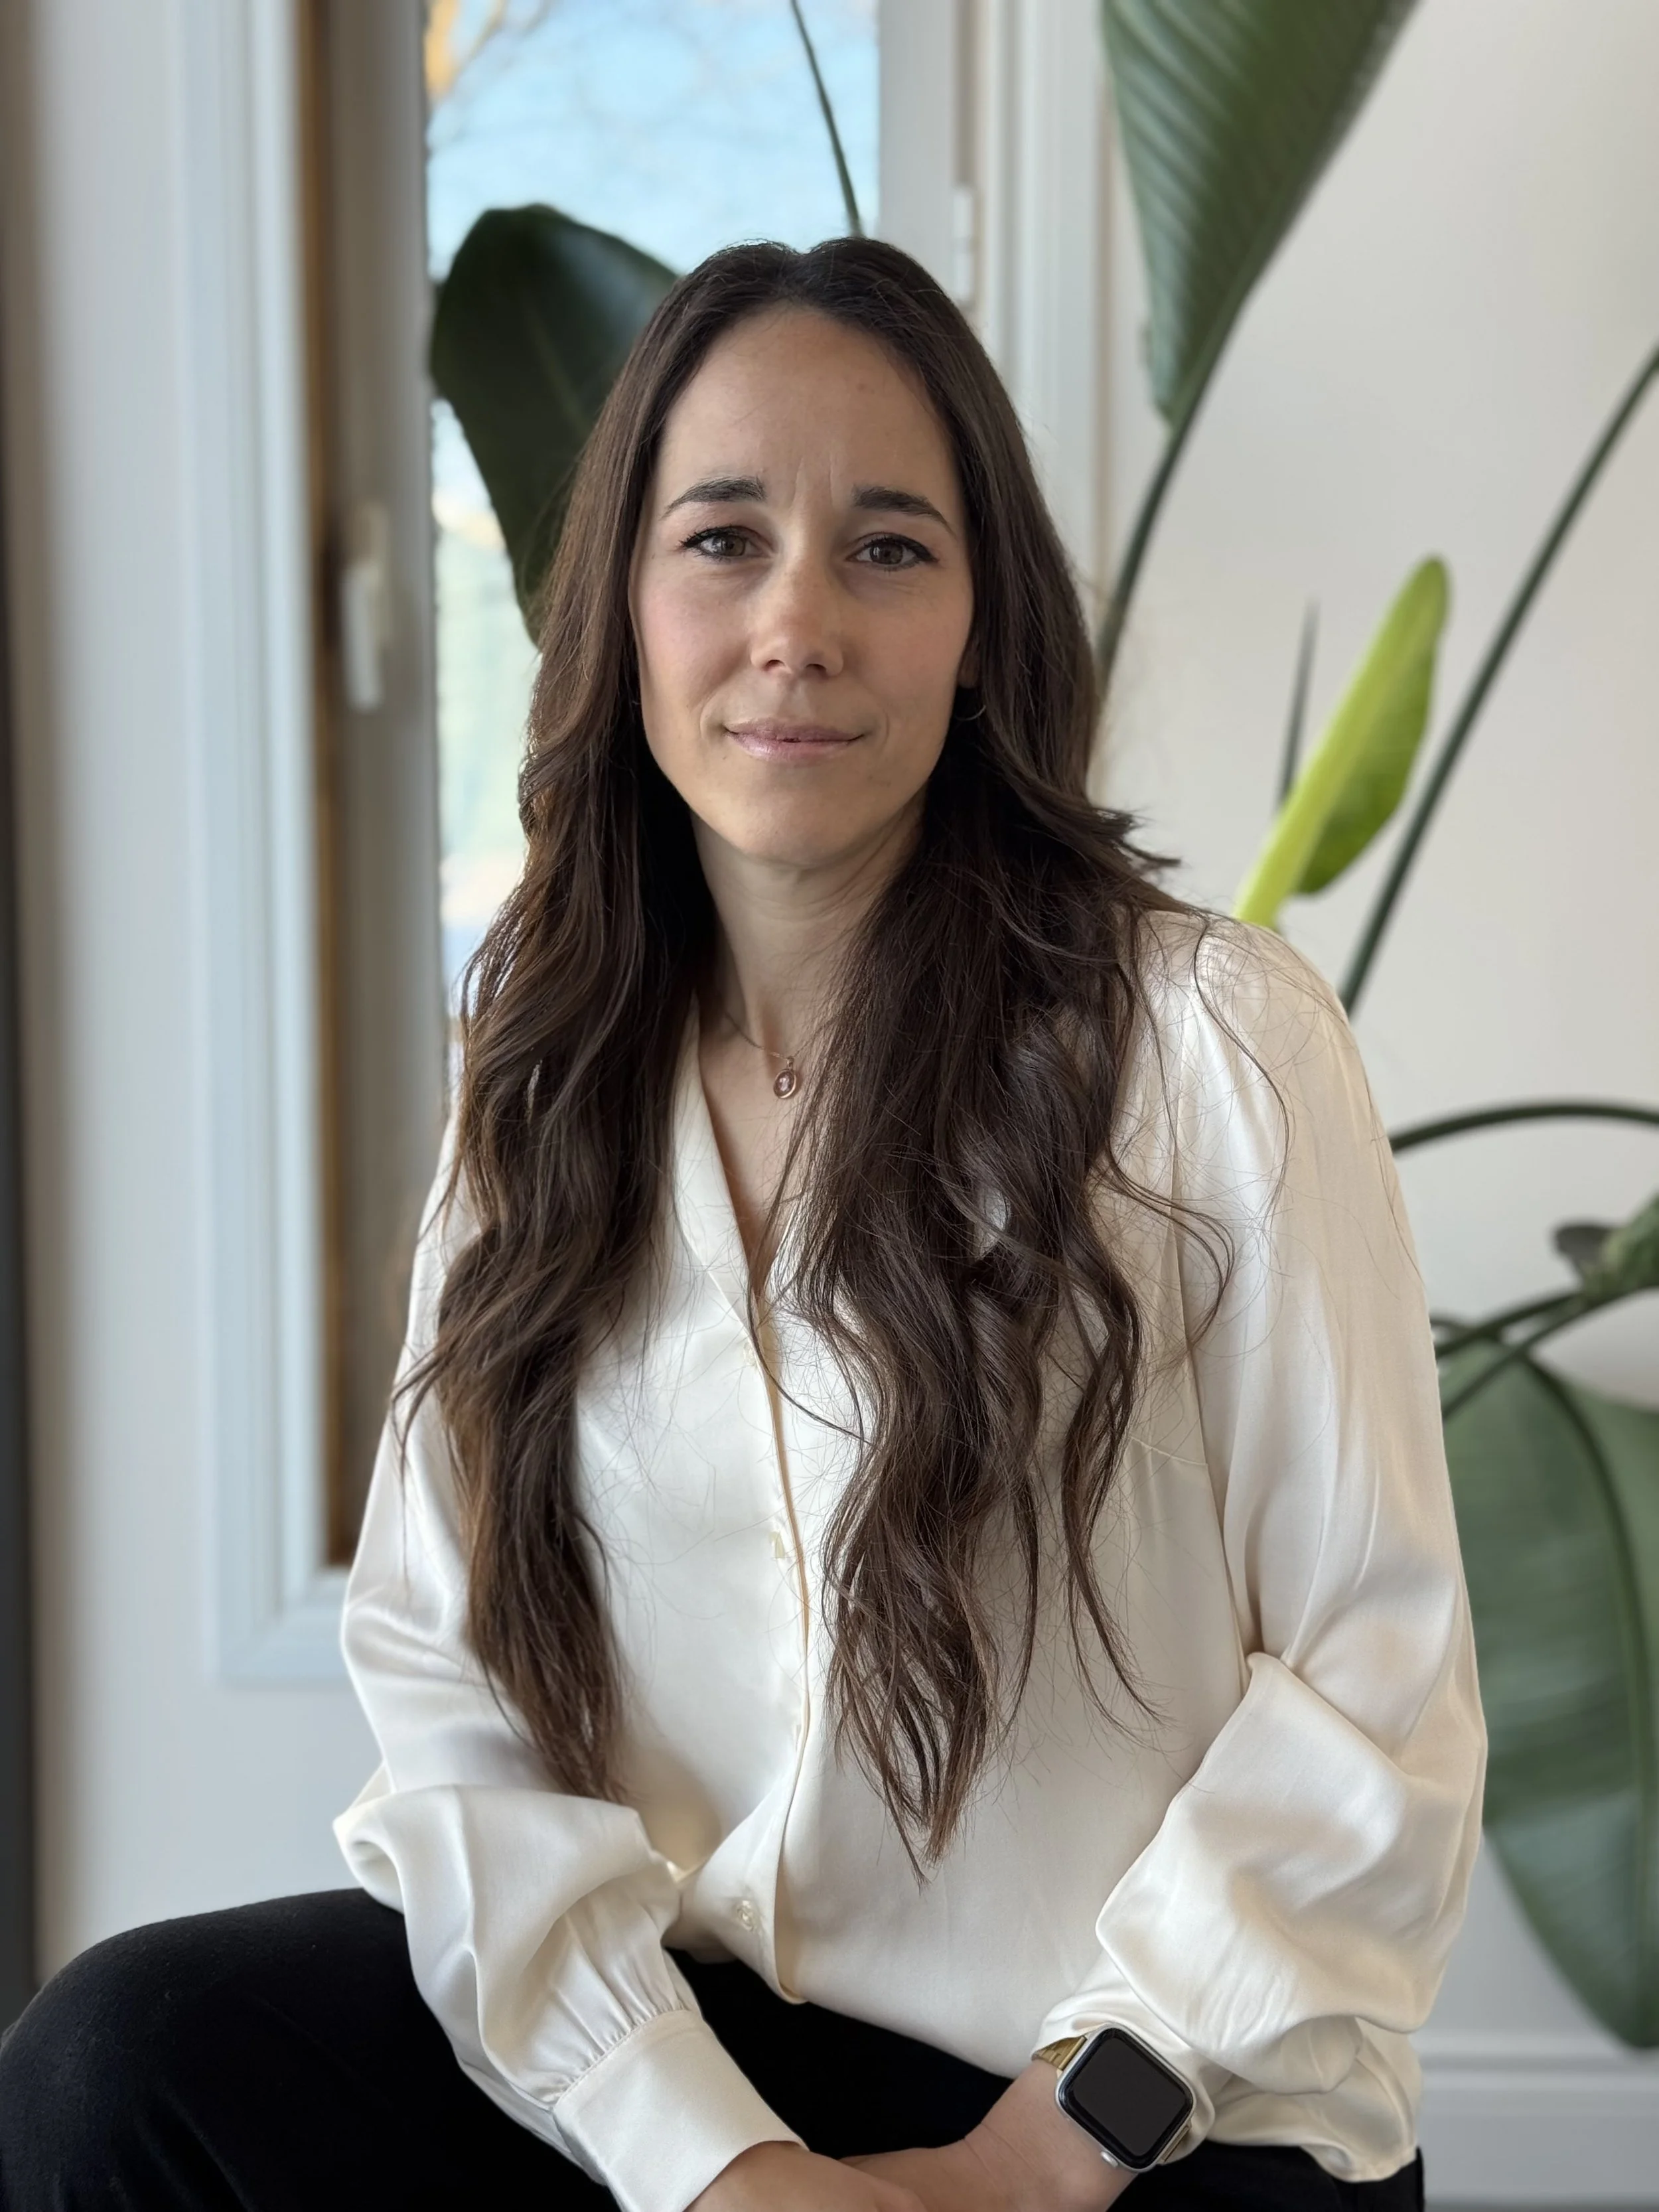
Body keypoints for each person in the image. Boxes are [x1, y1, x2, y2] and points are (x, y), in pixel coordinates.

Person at [0, 237, 1484, 2211]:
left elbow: (1374, 1696)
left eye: (886, 548)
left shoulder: (1208, 1042)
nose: (796, 619)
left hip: (1145, 2101)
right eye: (721, 538)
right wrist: (713, 2163)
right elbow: (453, 1695)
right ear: (623, 604)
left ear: (980, 627)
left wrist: (1036, 2160)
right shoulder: (544, 1062)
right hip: (709, 2061)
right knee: (126, 2060)